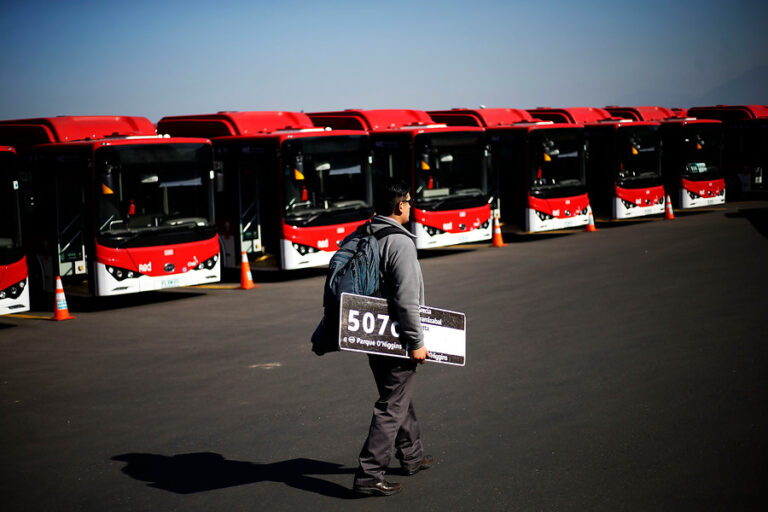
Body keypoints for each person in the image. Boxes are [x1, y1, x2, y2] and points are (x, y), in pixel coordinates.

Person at [352, 179, 434, 497]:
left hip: (370, 331)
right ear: (400, 206)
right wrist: (416, 341)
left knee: (397, 395)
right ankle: (370, 474)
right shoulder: (400, 242)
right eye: (410, 202)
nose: (411, 207)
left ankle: (411, 455)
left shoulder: (365, 233)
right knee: (391, 403)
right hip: (396, 334)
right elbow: (406, 299)